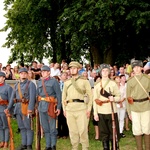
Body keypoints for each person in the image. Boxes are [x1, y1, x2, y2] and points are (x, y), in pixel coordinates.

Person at [62, 61, 93, 150]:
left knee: (83, 131)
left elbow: (90, 96)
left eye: (74, 68)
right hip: (70, 109)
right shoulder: (67, 82)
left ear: (78, 69)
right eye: (71, 68)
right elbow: (63, 97)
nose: (72, 70)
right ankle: (74, 147)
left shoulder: (84, 81)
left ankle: (85, 148)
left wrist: (89, 109)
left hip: (82, 109)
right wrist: (64, 109)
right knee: (72, 132)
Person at [4, 67, 36, 150]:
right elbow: (12, 98)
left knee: (28, 127)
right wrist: (8, 108)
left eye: (25, 73)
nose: (23, 75)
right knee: (21, 127)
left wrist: (30, 109)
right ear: (19, 75)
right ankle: (24, 144)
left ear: (27, 74)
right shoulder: (16, 85)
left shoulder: (31, 84)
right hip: (18, 108)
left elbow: (32, 98)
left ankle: (29, 145)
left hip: (26, 108)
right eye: (21, 73)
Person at [93, 63, 120, 150]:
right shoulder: (97, 86)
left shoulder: (113, 84)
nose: (104, 72)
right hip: (101, 111)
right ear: (100, 73)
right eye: (103, 71)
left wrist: (114, 99)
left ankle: (114, 146)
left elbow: (119, 96)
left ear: (109, 72)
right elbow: (95, 100)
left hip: (112, 110)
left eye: (106, 71)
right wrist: (95, 113)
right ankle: (105, 147)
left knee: (113, 131)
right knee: (104, 132)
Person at [126, 60, 150, 150]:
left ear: (141, 68)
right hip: (134, 107)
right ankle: (139, 148)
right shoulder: (130, 81)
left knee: (147, 128)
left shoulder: (147, 79)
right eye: (134, 67)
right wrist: (129, 112)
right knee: (137, 130)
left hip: (146, 106)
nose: (136, 69)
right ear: (132, 69)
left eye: (138, 67)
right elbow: (128, 97)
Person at [37, 65, 61, 150]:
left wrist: (58, 107)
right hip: (41, 107)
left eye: (44, 71)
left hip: (51, 106)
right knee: (45, 127)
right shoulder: (39, 82)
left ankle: (53, 145)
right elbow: (38, 95)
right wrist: (36, 107)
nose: (43, 73)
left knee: (52, 128)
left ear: (49, 72)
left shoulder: (54, 82)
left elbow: (58, 95)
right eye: (42, 72)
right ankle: (48, 145)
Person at [0, 72, 13, 148]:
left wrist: (9, 110)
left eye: (0, 77)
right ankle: (2, 141)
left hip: (4, 109)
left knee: (5, 126)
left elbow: (11, 100)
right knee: (0, 126)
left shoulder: (8, 87)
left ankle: (6, 141)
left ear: (4, 78)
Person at [57, 72, 69, 139]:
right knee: (58, 118)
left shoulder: (68, 84)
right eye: (64, 75)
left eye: (66, 75)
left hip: (65, 103)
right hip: (58, 102)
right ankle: (58, 133)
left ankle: (65, 133)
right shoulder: (57, 84)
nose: (65, 76)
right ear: (60, 76)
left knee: (65, 118)